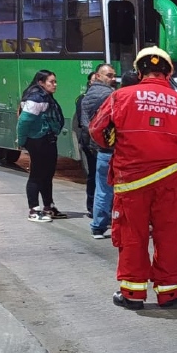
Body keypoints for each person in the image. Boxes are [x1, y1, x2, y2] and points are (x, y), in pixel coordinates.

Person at [88, 47, 177, 309]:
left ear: (139, 70)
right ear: (169, 72)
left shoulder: (120, 97)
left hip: (131, 181)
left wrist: (114, 142)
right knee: (169, 234)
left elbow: (97, 130)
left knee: (132, 234)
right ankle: (169, 293)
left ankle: (132, 295)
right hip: (170, 182)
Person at [16, 70, 67, 222]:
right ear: (41, 82)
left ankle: (48, 207)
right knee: (36, 176)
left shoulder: (44, 96)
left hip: (47, 139)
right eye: (51, 82)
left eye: (55, 81)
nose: (55, 85)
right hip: (37, 140)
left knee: (47, 175)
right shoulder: (36, 98)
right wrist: (21, 140)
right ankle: (34, 210)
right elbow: (24, 121)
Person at [81, 63, 117, 239]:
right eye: (109, 75)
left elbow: (86, 123)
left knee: (101, 188)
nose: (113, 79)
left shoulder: (86, 96)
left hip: (97, 147)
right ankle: (113, 222)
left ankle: (97, 226)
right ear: (98, 76)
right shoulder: (110, 95)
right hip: (111, 149)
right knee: (114, 188)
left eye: (113, 75)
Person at [74, 71, 98, 218]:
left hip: (96, 141)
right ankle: (91, 206)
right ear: (89, 83)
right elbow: (83, 122)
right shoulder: (83, 99)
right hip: (89, 142)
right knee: (93, 174)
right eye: (94, 80)